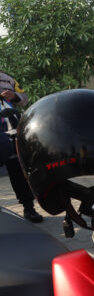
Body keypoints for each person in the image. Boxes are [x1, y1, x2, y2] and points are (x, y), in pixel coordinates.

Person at [0, 71, 42, 222]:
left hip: (14, 130)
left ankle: (29, 208)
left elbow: (24, 98)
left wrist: (14, 96)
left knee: (19, 171)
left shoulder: (7, 78)